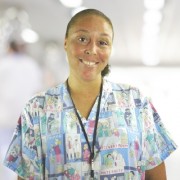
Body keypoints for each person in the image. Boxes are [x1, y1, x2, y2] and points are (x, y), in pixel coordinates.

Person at [3, 9, 177, 180]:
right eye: (82, 39)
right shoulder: (36, 109)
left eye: (102, 42)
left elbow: (157, 176)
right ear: (65, 43)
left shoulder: (137, 103)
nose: (92, 49)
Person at [0, 40, 43, 179]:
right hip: (25, 116)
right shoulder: (31, 65)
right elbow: (38, 91)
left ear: (9, 48)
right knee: (24, 152)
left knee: (4, 151)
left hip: (4, 116)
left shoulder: (3, 64)